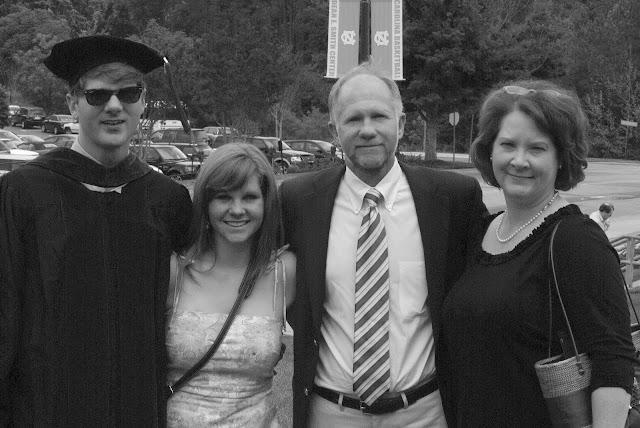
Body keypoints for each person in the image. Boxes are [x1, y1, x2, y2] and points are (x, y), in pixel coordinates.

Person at [280, 60, 488, 427]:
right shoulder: (299, 200)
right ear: (334, 130)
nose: (367, 130)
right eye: (353, 119)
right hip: (331, 414)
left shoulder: (454, 199)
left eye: (379, 116)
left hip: (425, 413)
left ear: (401, 124)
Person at [0, 35, 193, 426]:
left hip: (138, 407)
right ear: (73, 103)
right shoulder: (24, 192)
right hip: (46, 408)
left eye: (128, 93)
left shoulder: (167, 199)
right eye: (97, 95)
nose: (114, 106)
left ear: (143, 101)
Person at [439, 81, 636, 427]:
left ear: (561, 158)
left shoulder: (577, 240)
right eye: (508, 145)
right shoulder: (480, 231)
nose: (519, 160)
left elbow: (613, 360)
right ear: (489, 151)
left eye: (537, 148)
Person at [166, 143, 296, 427]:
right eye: (224, 197)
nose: (237, 210)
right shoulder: (175, 271)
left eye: (249, 197)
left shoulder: (285, 273)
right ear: (205, 203)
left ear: (266, 203)